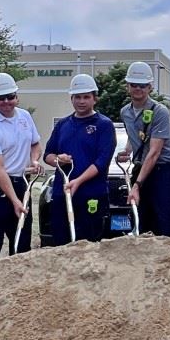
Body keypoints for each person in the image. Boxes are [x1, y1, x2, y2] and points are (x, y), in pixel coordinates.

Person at [0, 72, 42, 270]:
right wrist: (15, 201)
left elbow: (35, 144)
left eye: (10, 97)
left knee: (21, 239)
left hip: (21, 182)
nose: (6, 102)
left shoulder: (25, 117)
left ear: (16, 96)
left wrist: (35, 160)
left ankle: (20, 288)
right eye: (0, 98)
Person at [43, 74, 116, 244]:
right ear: (71, 99)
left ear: (94, 99)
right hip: (63, 194)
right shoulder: (63, 125)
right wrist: (58, 160)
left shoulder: (103, 125)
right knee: (61, 242)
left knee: (89, 245)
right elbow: (48, 155)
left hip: (91, 194)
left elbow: (102, 161)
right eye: (77, 97)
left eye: (86, 97)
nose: (81, 101)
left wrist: (78, 181)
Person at [117, 61, 170, 237]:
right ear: (127, 86)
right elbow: (134, 135)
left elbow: (154, 153)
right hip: (140, 168)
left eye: (143, 85)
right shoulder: (125, 112)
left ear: (150, 87)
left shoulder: (160, 111)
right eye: (134, 85)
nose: (138, 89)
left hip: (162, 171)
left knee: (165, 224)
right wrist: (128, 150)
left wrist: (137, 185)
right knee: (142, 221)